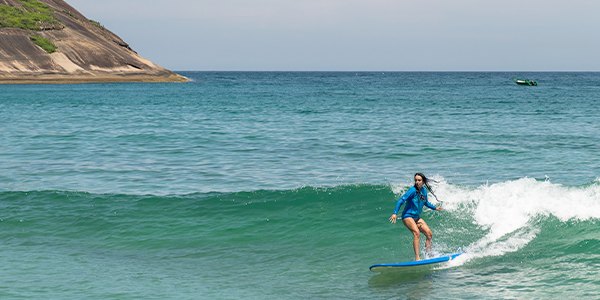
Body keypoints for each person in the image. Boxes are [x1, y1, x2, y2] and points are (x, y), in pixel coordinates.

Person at [389, 173, 443, 261]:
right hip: (407, 216)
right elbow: (401, 200)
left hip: (416, 217)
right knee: (417, 233)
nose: (417, 182)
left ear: (423, 181)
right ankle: (417, 257)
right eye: (416, 180)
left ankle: (428, 255)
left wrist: (435, 208)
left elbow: (425, 202)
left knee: (429, 234)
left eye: (419, 180)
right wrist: (395, 213)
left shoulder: (424, 191)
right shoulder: (412, 190)